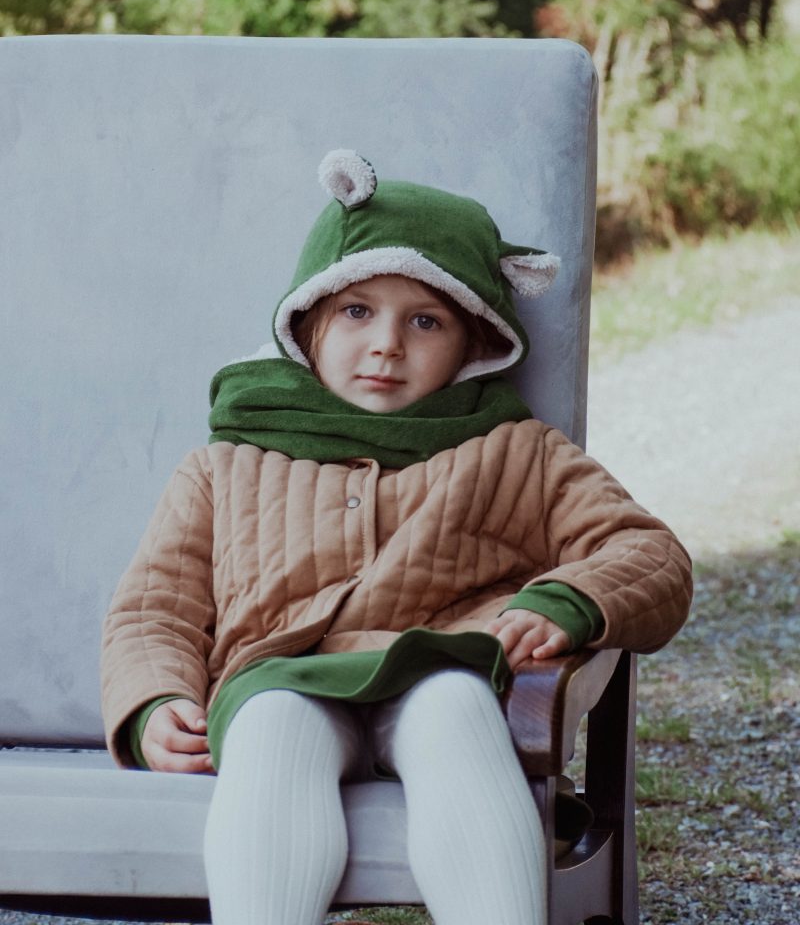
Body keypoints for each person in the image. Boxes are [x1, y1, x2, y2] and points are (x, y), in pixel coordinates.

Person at [101, 149, 692, 925]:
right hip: (280, 674)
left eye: (425, 320)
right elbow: (153, 609)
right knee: (271, 728)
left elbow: (651, 555)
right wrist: (154, 703)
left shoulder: (516, 452)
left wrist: (570, 600)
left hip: (442, 667)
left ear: (475, 342)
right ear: (306, 322)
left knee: (454, 706)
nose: (386, 344)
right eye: (356, 311)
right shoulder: (225, 464)